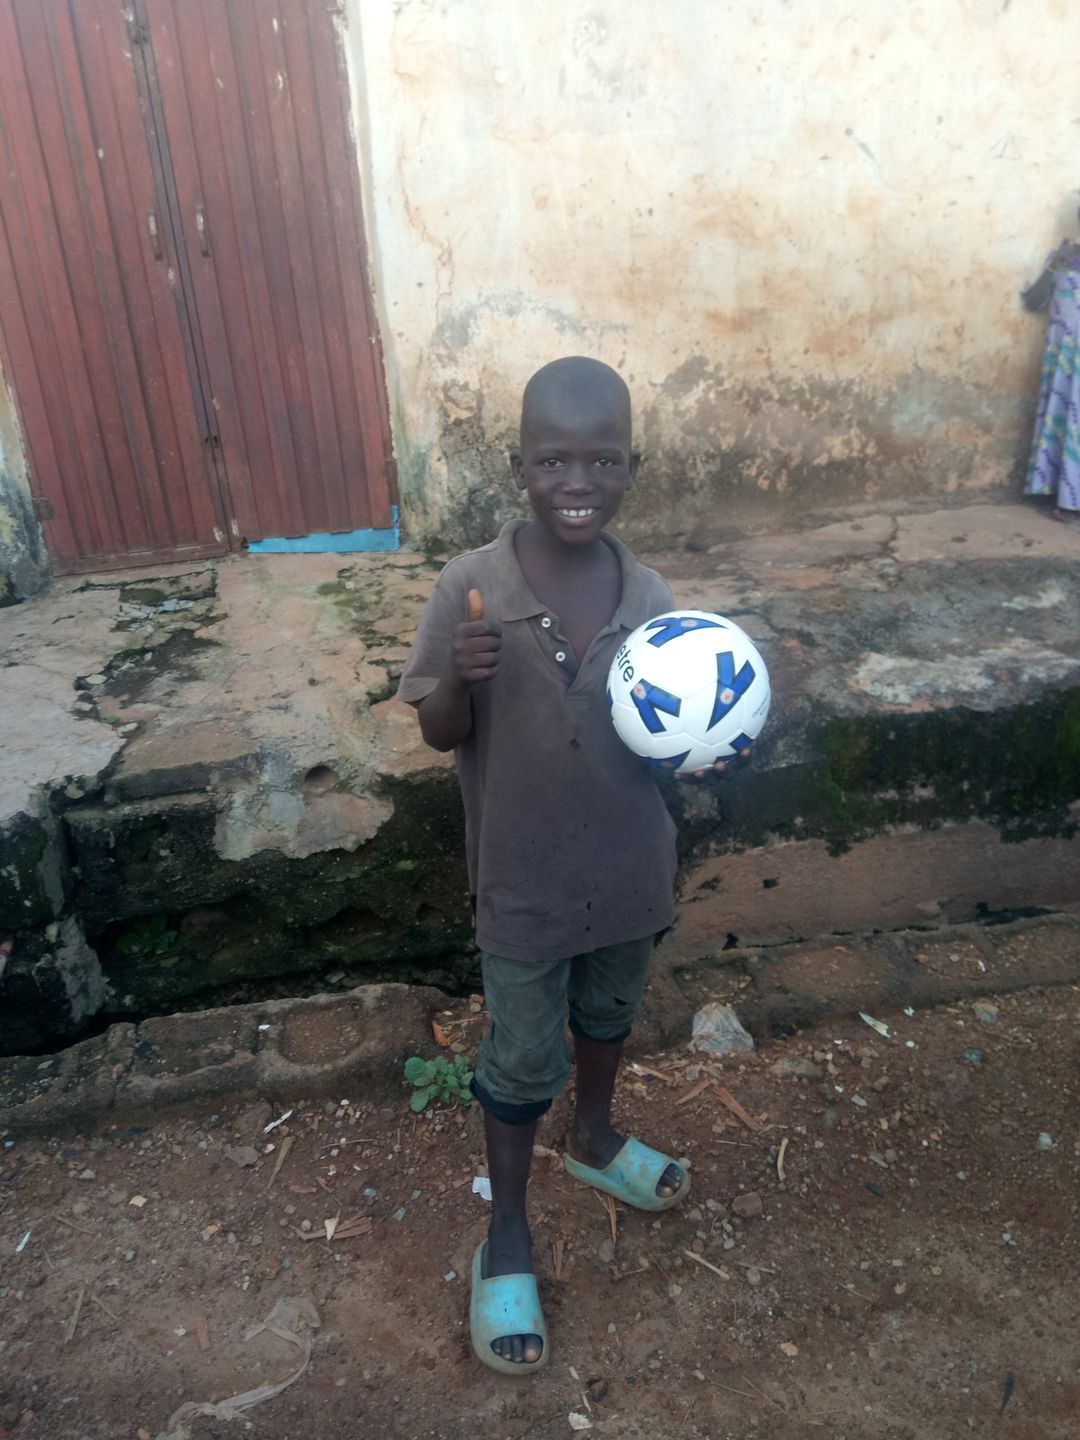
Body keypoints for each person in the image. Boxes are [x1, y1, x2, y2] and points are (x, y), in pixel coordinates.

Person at [397, 356, 750, 1375]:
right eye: (553, 460)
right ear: (519, 466)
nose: (577, 481)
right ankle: (506, 1230)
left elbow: (673, 739)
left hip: (631, 873)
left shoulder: (653, 597)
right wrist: (457, 682)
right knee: (519, 1057)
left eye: (602, 459)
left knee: (608, 1015)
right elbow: (437, 731)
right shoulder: (471, 587)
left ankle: (593, 1137)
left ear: (633, 467)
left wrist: (717, 741)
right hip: (523, 883)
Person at [1022, 207, 1080, 521]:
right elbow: (1034, 301)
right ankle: (1066, 496)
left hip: (1069, 360)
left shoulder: (1064, 258)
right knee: (1066, 422)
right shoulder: (1063, 258)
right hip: (1065, 362)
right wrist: (1055, 265)